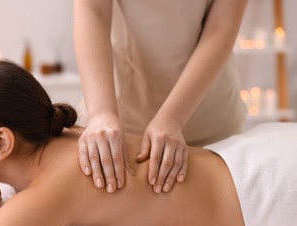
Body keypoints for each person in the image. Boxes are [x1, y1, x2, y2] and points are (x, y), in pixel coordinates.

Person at [0, 60, 297, 226]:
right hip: (255, 160)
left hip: (270, 192)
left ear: (1, 143)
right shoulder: (55, 143)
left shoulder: (50, 192)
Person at [73, 0, 248, 194]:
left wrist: (173, 117)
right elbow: (92, 9)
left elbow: (220, 27)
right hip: (119, 125)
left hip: (209, 120)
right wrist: (101, 114)